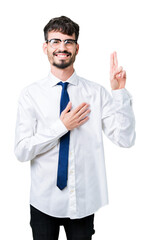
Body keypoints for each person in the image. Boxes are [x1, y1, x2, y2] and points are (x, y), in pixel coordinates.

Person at [14, 16, 136, 240]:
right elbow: (22, 151)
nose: (62, 47)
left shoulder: (96, 93)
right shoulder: (30, 95)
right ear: (45, 47)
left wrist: (118, 93)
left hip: (83, 200)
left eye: (68, 41)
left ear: (77, 48)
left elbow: (125, 139)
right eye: (55, 41)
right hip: (43, 202)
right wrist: (61, 127)